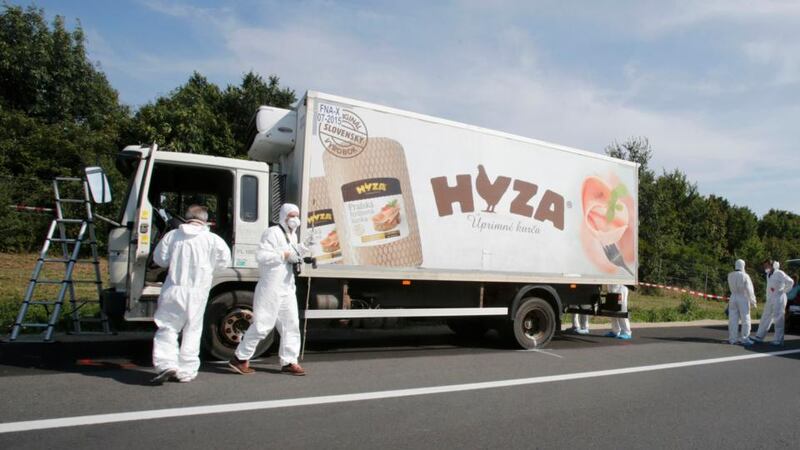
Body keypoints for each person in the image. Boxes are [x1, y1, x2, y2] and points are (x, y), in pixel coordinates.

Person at [151, 205, 231, 384]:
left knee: (168, 327)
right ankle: (186, 371)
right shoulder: (213, 240)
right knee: (192, 330)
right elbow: (223, 263)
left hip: (173, 288)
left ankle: (166, 364)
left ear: (187, 218)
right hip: (198, 292)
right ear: (205, 220)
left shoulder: (172, 236)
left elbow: (160, 259)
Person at [229, 203, 311, 376]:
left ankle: (289, 361)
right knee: (262, 325)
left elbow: (292, 253)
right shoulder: (272, 232)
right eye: (291, 215)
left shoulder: (292, 235)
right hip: (271, 286)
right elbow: (261, 256)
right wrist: (284, 255)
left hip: (287, 286)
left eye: (297, 215)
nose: (295, 219)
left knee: (291, 325)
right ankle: (240, 358)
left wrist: (303, 247)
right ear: (283, 216)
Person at [753, 260, 795, 346]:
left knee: (778, 319)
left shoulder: (780, 273)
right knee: (765, 317)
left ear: (772, 265)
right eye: (764, 265)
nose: (765, 267)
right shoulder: (768, 274)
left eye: (766, 265)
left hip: (779, 298)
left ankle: (778, 340)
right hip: (770, 299)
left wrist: (784, 290)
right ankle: (759, 336)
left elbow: (791, 282)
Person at [726, 259, 756, 345]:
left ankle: (733, 339)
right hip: (743, 297)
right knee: (745, 318)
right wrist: (753, 301)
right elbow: (750, 290)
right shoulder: (745, 276)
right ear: (743, 265)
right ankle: (745, 339)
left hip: (733, 297)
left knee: (732, 319)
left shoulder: (730, 275)